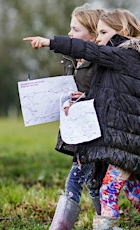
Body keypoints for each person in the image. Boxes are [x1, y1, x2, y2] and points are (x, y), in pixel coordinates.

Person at [23, 8, 140, 229]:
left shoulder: (126, 55)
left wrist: (50, 42)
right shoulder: (118, 63)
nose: (98, 39)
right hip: (124, 140)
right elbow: (112, 97)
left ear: (121, 32)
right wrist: (86, 96)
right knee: (133, 192)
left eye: (103, 33)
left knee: (108, 190)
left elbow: (87, 49)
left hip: (125, 141)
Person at [48, 5, 106, 230]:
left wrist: (85, 97)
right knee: (94, 184)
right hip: (79, 131)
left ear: (92, 35)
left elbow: (105, 95)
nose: (70, 34)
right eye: (70, 29)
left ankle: (61, 226)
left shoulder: (100, 65)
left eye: (76, 29)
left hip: (94, 133)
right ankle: (107, 221)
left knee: (76, 180)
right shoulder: (72, 60)